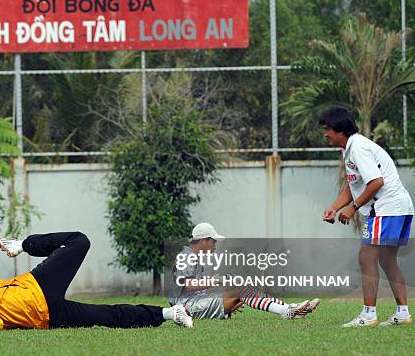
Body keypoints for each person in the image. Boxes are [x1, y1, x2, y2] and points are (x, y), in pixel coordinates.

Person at [0, 231, 193, 331]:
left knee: (79, 241)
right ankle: (170, 314)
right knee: (107, 316)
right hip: (48, 315)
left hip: (37, 283)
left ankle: (23, 243)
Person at [320, 107, 413, 327]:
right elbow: (355, 185)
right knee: (386, 260)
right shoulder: (350, 148)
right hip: (397, 207)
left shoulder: (359, 148)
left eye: (328, 130)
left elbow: (376, 182)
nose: (326, 134)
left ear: (340, 130)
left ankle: (369, 315)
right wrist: (334, 207)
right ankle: (402, 313)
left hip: (387, 207)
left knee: (366, 257)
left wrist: (352, 208)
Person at [171, 223, 320, 320]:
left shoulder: (191, 256)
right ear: (204, 240)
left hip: (194, 304)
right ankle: (286, 310)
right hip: (187, 308)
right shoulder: (187, 256)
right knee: (240, 290)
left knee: (244, 290)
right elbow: (189, 285)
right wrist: (216, 281)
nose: (215, 245)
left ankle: (289, 309)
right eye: (213, 241)